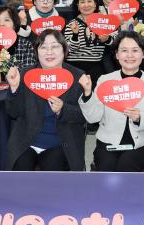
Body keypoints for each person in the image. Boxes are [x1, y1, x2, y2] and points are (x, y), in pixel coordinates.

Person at [5, 29, 87, 171]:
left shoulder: (78, 76)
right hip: (27, 139)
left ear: (64, 50)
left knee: (52, 167)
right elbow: (14, 112)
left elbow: (85, 116)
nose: (49, 52)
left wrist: (63, 110)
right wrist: (14, 89)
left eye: (55, 46)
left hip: (61, 141)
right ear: (37, 52)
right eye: (43, 47)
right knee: (20, 168)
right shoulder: (26, 74)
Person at [80, 32, 144, 172]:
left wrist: (139, 118)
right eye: (124, 50)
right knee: (106, 166)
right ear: (117, 55)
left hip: (140, 144)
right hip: (108, 141)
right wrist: (88, 93)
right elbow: (93, 118)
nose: (130, 55)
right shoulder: (105, 80)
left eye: (135, 50)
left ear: (143, 54)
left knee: (126, 166)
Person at [64, 0, 110, 83]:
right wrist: (75, 35)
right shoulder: (72, 24)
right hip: (74, 65)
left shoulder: (103, 22)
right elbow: (69, 49)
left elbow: (114, 42)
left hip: (96, 65)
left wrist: (107, 39)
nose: (86, 5)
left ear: (95, 4)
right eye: (82, 2)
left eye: (89, 1)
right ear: (77, 5)